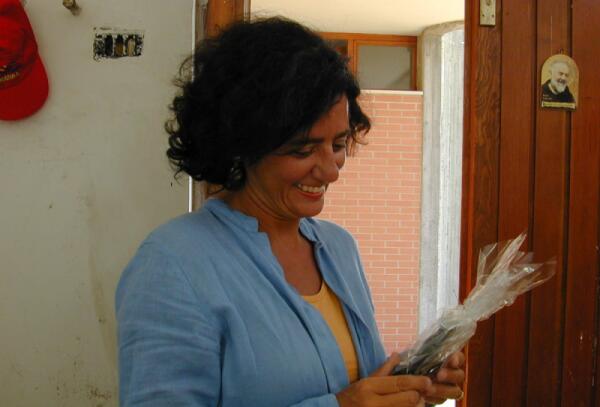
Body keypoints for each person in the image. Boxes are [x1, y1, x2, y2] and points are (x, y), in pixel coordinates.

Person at [116, 17, 465, 407]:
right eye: (303, 150)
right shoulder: (174, 264)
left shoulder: (339, 248)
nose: (331, 170)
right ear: (242, 145)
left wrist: (411, 382)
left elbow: (353, 382)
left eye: (338, 144)